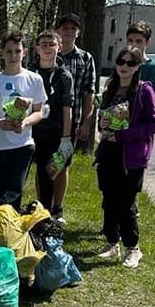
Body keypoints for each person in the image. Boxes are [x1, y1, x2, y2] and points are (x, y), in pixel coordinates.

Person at [95, 46, 155, 268]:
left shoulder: (144, 91)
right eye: (121, 62)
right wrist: (101, 123)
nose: (124, 66)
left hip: (131, 157)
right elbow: (102, 120)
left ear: (137, 67)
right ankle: (112, 243)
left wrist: (124, 135)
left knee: (126, 203)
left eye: (130, 63)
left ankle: (133, 248)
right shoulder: (110, 90)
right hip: (108, 154)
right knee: (109, 201)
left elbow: (152, 124)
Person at [0, 31, 46, 213]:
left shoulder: (34, 80)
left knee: (15, 190)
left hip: (23, 144)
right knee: (1, 190)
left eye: (17, 51)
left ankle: (8, 228)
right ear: (2, 53)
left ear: (24, 52)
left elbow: (40, 112)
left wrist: (25, 122)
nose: (13, 56)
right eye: (9, 52)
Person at [27, 30, 74, 221]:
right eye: (43, 45)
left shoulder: (64, 76)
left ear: (59, 47)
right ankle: (40, 211)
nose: (47, 48)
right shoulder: (29, 72)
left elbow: (67, 108)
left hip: (54, 132)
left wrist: (65, 138)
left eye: (51, 44)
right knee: (36, 172)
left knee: (52, 171)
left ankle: (53, 210)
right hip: (30, 130)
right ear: (37, 49)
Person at [54, 13, 97, 212]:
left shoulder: (86, 59)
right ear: (58, 31)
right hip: (47, 121)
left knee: (62, 164)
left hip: (72, 121)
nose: (68, 32)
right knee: (45, 165)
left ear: (78, 32)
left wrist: (87, 123)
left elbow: (89, 93)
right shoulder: (49, 54)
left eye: (73, 28)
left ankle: (58, 207)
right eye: (65, 28)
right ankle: (43, 205)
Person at [126, 20, 155, 96]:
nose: (133, 44)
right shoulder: (122, 63)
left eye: (138, 41)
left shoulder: (153, 68)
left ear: (147, 42)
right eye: (130, 40)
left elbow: (152, 98)